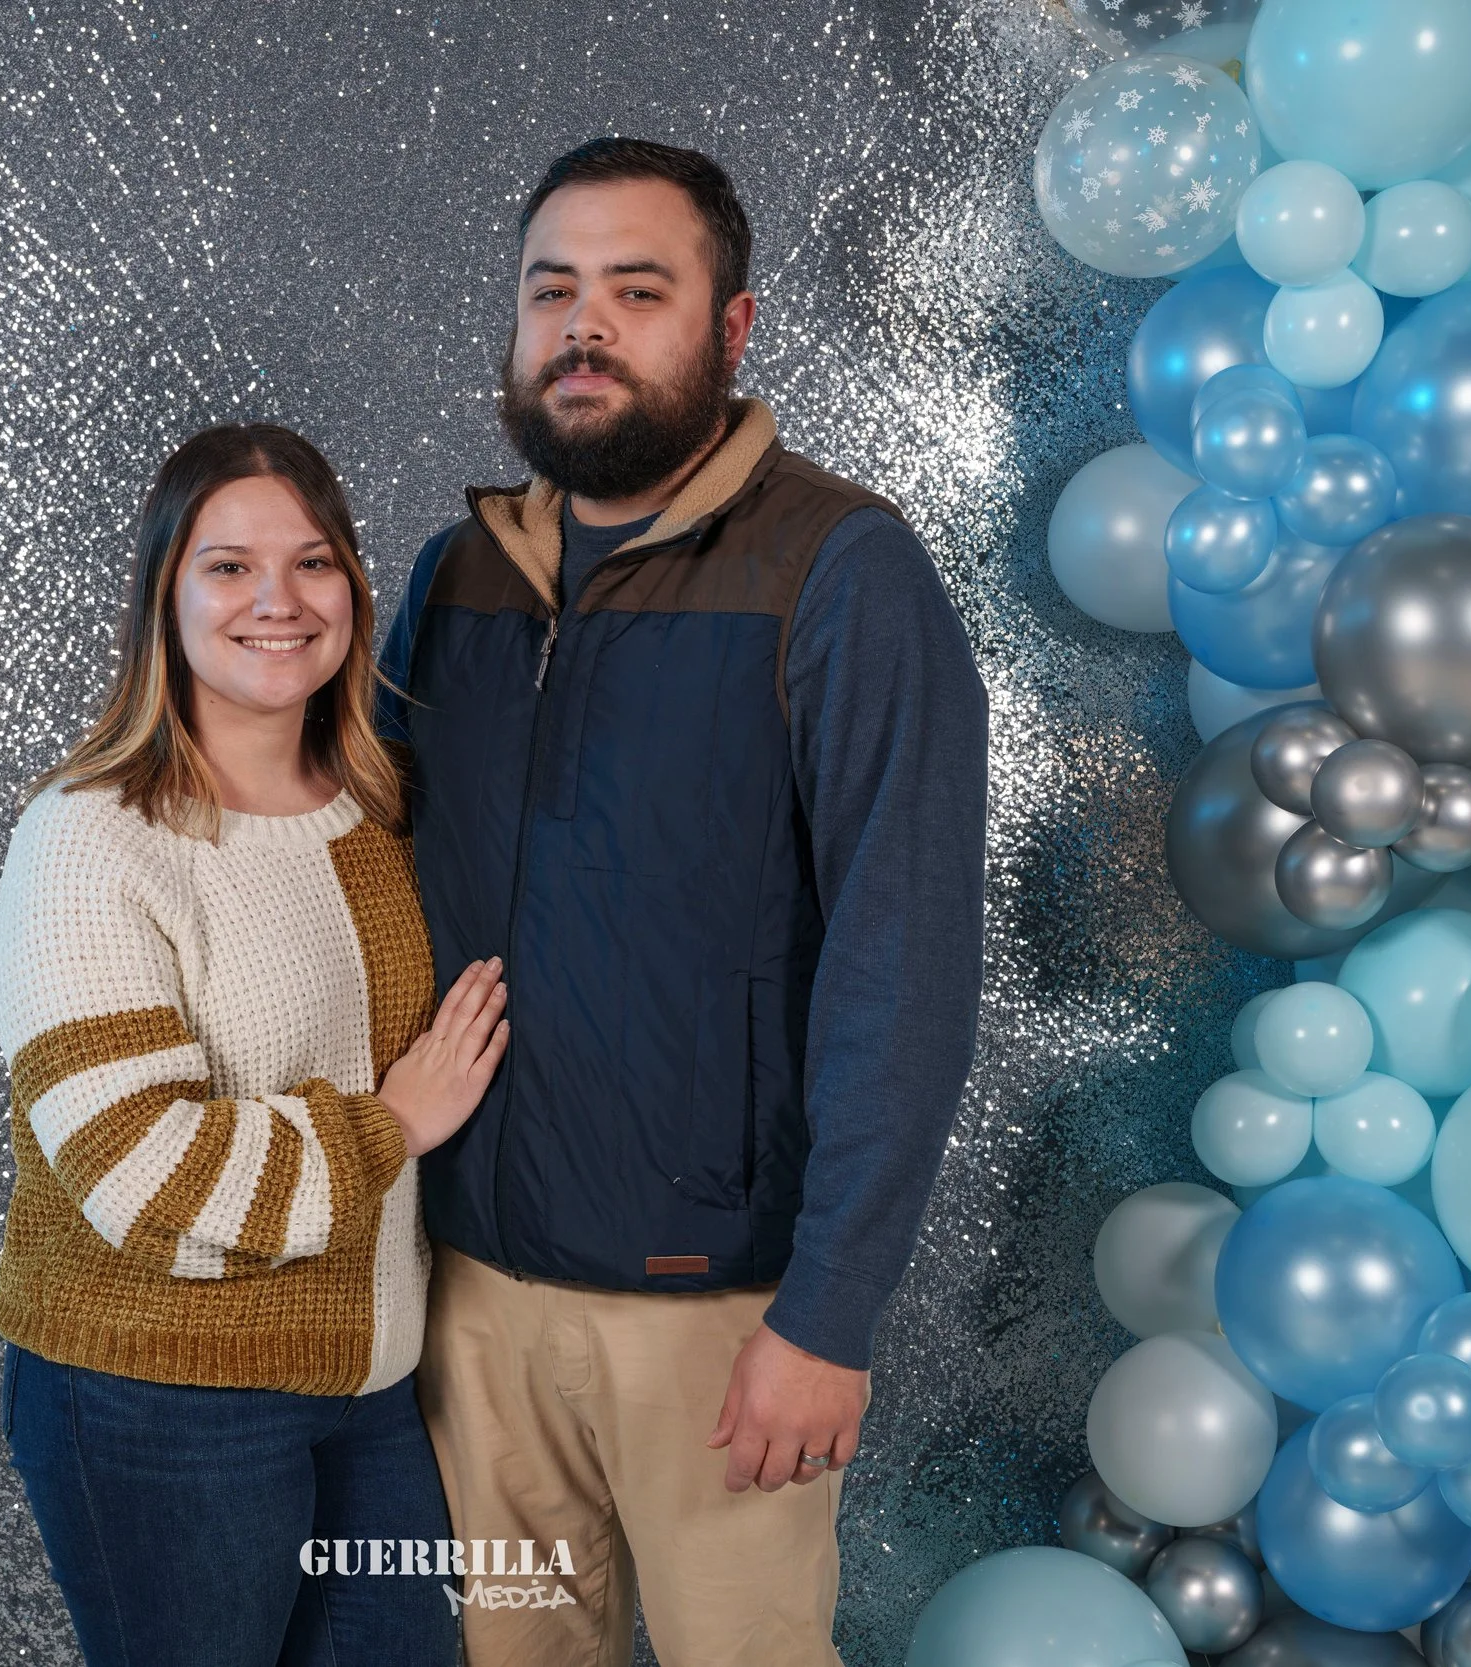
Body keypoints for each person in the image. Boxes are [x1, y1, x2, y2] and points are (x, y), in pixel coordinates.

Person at [377, 137, 990, 1666]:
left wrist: (830, 1314)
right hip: (466, 1299)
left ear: (732, 328)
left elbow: (902, 968)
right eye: (552, 291)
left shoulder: (840, 573)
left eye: (637, 291)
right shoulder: (462, 573)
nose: (584, 327)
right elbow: (357, 871)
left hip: (722, 1317)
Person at [0, 422, 508, 1667]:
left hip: (374, 1384)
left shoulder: (379, 813)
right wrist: (394, 1122)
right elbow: (135, 1170)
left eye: (313, 563)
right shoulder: (93, 836)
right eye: (228, 567)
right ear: (163, 600)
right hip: (162, 1396)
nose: (277, 600)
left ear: (353, 595)